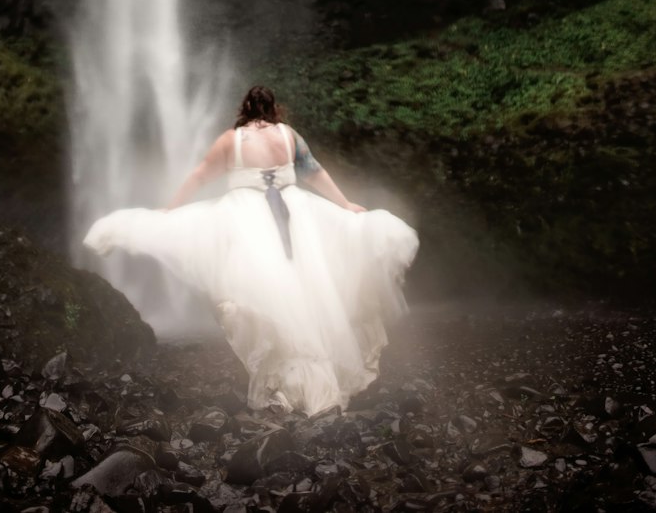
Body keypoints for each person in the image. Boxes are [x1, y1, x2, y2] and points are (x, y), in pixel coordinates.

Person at [83, 85, 419, 415]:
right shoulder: (288, 136)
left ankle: (286, 389)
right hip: (297, 220)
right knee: (303, 298)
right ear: (274, 109)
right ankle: (314, 387)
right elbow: (315, 172)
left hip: (247, 222)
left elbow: (201, 176)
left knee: (260, 299)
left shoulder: (233, 139)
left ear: (244, 109)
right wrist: (345, 204)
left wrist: (170, 209)